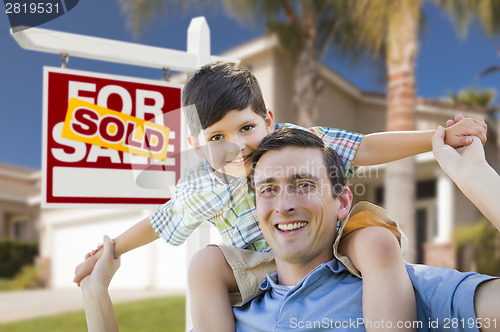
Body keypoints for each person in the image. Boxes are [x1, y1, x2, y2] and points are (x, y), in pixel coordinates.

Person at [74, 62, 487, 332]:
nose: (237, 146)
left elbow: (367, 147)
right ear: (197, 146)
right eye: (217, 137)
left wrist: (437, 140)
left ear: (268, 121)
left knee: (376, 241)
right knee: (204, 264)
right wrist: (110, 251)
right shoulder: (203, 186)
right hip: (258, 263)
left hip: (333, 240)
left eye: (246, 128)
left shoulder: (302, 146)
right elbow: (160, 221)